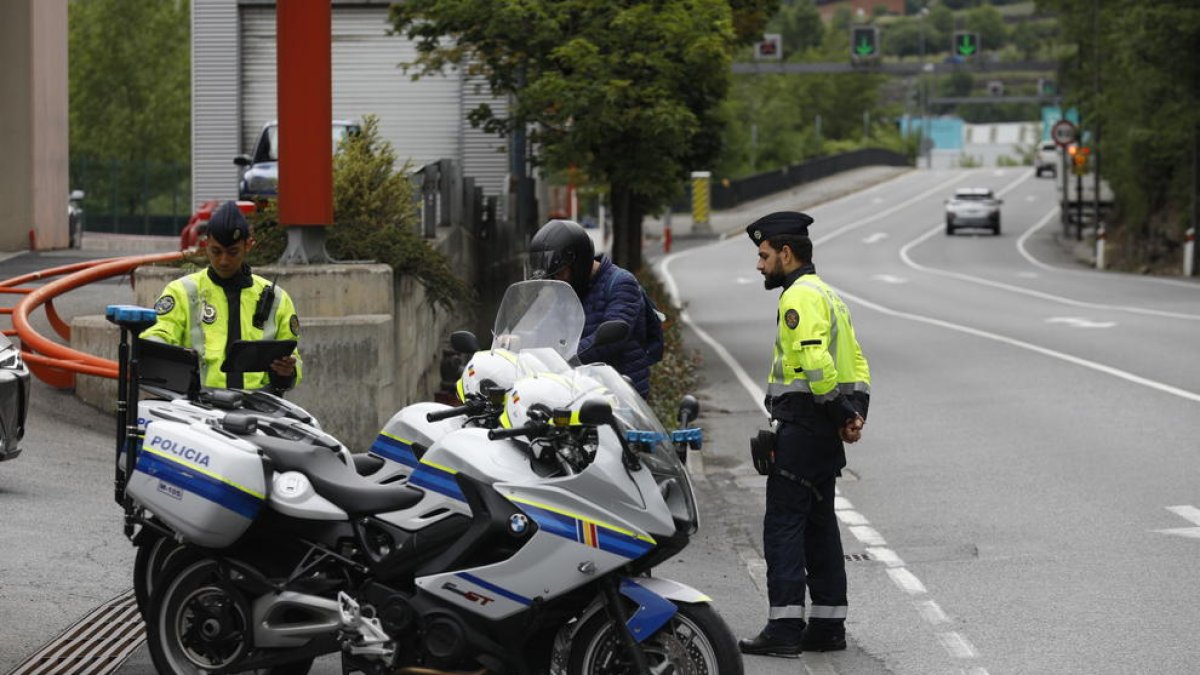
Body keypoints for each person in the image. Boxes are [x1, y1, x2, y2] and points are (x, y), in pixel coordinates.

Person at [738, 211, 870, 657]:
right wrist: (853, 415)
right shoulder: (829, 295)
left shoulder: (798, 297)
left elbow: (815, 360)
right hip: (825, 430)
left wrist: (837, 412)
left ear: (786, 253)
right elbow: (856, 364)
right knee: (819, 526)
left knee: (783, 526)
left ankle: (784, 629)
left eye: (763, 255)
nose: (759, 265)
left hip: (804, 424)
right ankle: (828, 626)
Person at [141, 200, 302, 393]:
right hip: (195, 407)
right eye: (216, 251)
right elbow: (159, 334)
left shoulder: (277, 299)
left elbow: (292, 357)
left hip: (258, 405)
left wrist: (286, 372)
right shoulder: (182, 292)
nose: (224, 260)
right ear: (206, 244)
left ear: (248, 245)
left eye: (233, 252)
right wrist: (154, 350)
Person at [525, 219, 664, 397]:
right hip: (580, 389)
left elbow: (610, 340)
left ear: (579, 263)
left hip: (621, 395)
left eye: (560, 272)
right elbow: (547, 325)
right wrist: (519, 342)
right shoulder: (568, 287)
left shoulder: (621, 283)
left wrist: (561, 359)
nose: (556, 280)